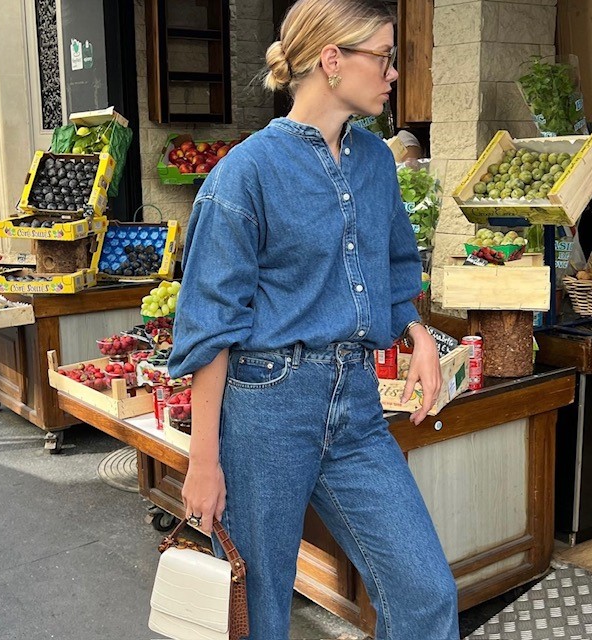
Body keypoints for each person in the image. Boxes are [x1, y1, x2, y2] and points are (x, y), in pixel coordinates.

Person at [168, 1, 460, 638]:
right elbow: (211, 328)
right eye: (381, 57)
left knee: (425, 590)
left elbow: (393, 266)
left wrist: (420, 336)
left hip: (355, 403)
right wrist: (204, 459)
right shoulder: (244, 176)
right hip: (265, 406)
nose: (391, 74)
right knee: (260, 609)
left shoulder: (377, 163)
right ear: (332, 61)